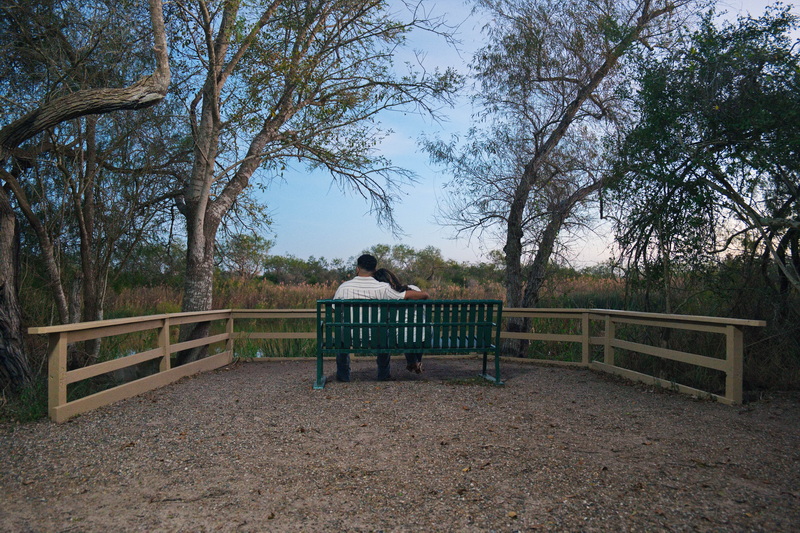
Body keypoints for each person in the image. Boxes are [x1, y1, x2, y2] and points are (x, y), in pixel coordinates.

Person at [333, 254, 428, 382]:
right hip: (376, 335)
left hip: (349, 335)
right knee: (384, 332)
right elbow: (404, 295)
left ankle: (343, 376)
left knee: (341, 334)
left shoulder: (343, 288)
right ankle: (383, 375)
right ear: (375, 269)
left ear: (357, 269)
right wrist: (424, 294)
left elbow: (334, 309)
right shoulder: (383, 288)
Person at [373, 268, 424, 374]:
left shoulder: (385, 295)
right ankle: (415, 361)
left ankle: (412, 362)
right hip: (424, 334)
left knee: (400, 333)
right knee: (413, 331)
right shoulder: (414, 288)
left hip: (401, 336)